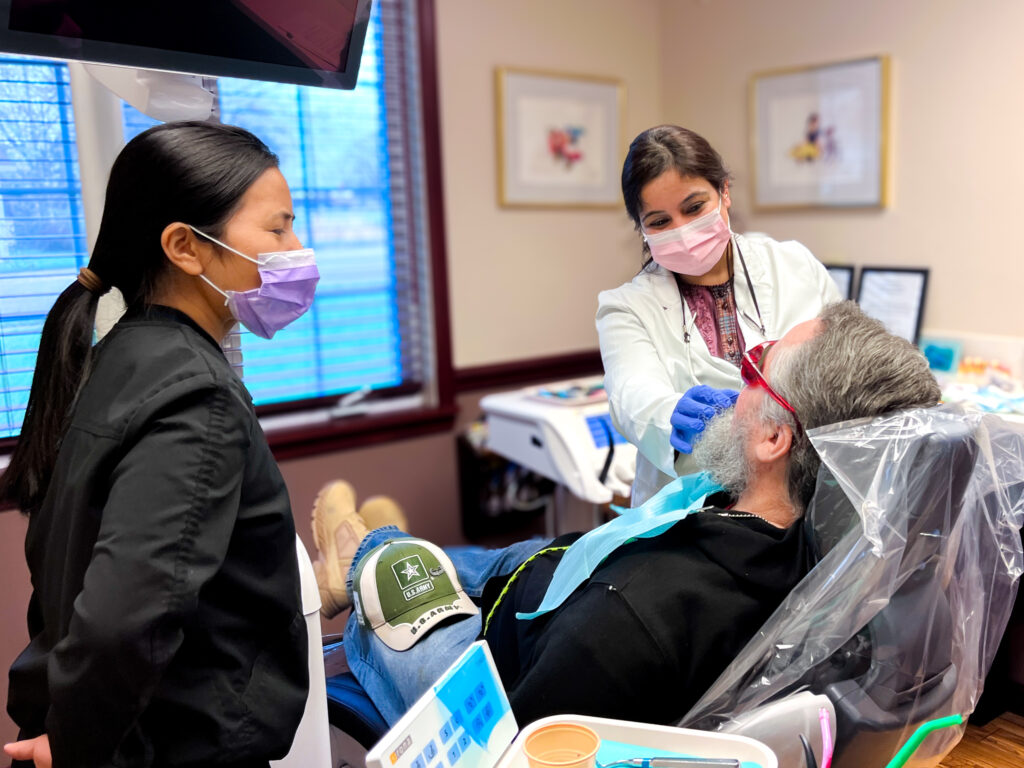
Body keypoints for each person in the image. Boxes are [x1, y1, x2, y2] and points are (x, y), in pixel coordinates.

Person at [313, 302, 941, 727]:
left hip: (503, 654)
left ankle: (365, 547)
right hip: (556, 575)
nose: (736, 381)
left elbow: (524, 747)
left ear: (774, 440)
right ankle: (388, 545)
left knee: (395, 566)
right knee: (501, 556)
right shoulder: (822, 556)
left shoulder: (627, 618)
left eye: (755, 368)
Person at [2, 122, 318, 768]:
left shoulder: (121, 357)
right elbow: (124, 619)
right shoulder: (196, 398)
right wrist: (76, 743)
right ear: (185, 246)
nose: (297, 249)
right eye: (278, 229)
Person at [597, 125, 842, 504]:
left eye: (695, 208)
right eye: (660, 222)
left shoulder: (794, 265)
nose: (682, 231)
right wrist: (670, 413)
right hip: (689, 509)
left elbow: (844, 358)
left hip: (803, 495)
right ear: (641, 229)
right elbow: (633, 394)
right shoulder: (625, 307)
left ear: (724, 191)